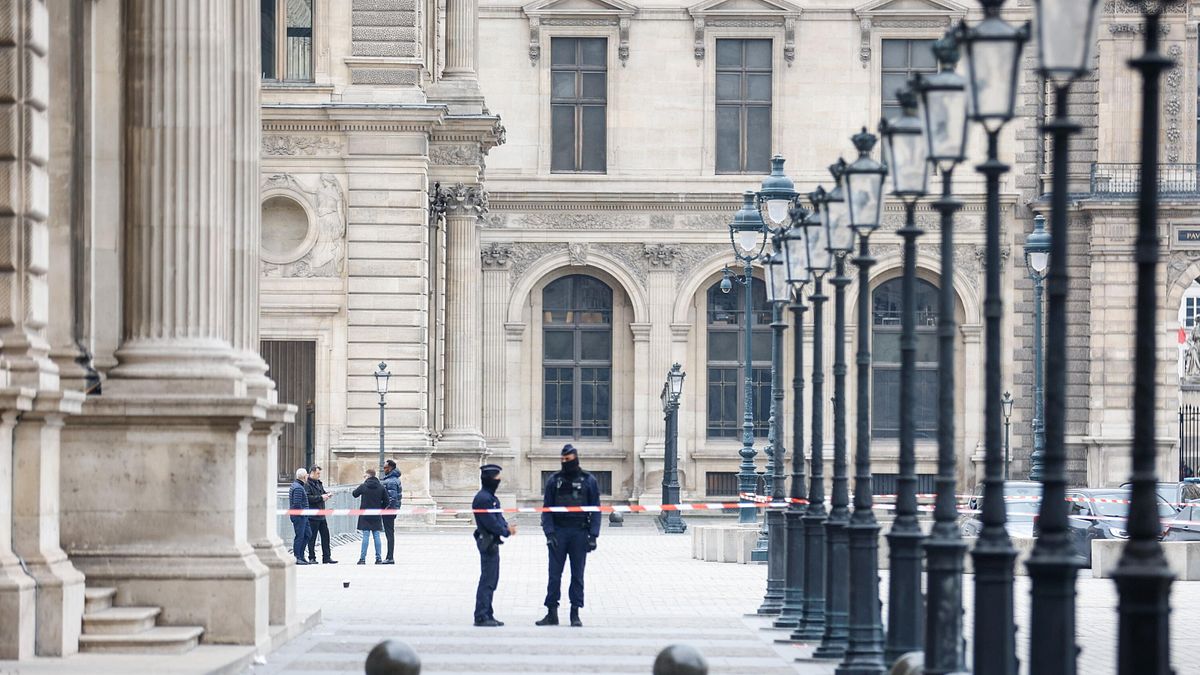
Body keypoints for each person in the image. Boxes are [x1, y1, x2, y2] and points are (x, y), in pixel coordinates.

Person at [536, 444, 601, 628]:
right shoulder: (554, 481)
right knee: (554, 575)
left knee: (577, 575)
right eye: (563, 459)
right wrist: (549, 533)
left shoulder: (588, 480)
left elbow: (595, 510)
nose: (565, 462)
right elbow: (547, 509)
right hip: (559, 532)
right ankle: (552, 613)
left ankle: (575, 612)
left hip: (579, 532)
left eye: (569, 459)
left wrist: (593, 535)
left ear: (576, 458)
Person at [472, 464, 516, 627]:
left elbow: (499, 517)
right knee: (488, 580)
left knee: (492, 579)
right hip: (487, 541)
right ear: (490, 479)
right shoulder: (483, 498)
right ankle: (481, 615)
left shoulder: (490, 497)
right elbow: (490, 522)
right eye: (497, 477)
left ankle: (488, 613)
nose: (499, 480)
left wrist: (506, 527)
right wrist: (506, 531)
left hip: (492, 541)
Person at [352, 468, 388, 564]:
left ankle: (362, 559)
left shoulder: (364, 486)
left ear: (368, 476)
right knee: (376, 535)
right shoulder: (381, 487)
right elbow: (387, 501)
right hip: (376, 513)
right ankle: (378, 558)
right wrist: (381, 508)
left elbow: (354, 494)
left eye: (365, 476)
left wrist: (362, 485)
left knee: (366, 535)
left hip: (365, 514)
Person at [305, 466, 336, 564]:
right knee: (312, 538)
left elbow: (322, 493)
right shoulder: (307, 484)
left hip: (321, 514)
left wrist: (327, 494)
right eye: (318, 473)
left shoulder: (318, 483)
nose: (319, 475)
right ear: (312, 473)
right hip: (313, 515)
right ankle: (312, 557)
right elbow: (308, 498)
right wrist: (320, 498)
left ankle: (327, 557)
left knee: (326, 536)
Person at [380, 460, 403, 565]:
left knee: (389, 534)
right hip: (391, 509)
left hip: (389, 511)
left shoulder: (391, 481)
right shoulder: (392, 479)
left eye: (385, 467)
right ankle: (389, 556)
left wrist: (386, 509)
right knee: (389, 533)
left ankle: (390, 557)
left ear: (390, 468)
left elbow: (392, 498)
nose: (383, 469)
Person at [288, 468, 312, 565]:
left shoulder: (299, 486)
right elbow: (297, 503)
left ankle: (301, 556)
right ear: (304, 476)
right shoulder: (298, 487)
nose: (307, 477)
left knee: (308, 534)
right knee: (300, 536)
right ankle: (297, 557)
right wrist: (303, 513)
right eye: (307, 475)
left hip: (303, 516)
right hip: (299, 516)